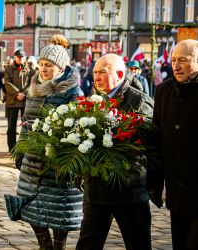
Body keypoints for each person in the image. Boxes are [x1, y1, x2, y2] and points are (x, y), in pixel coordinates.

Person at [5, 34, 84, 250]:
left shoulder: (72, 92)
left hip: (58, 162)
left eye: (48, 65)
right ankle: (44, 244)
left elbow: (79, 128)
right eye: (41, 64)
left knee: (59, 209)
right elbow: (26, 123)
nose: (43, 69)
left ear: (60, 67)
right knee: (30, 206)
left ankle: (59, 244)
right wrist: (20, 152)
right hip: (32, 160)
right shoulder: (34, 89)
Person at [76, 53, 154, 250]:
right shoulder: (94, 99)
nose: (97, 77)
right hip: (96, 189)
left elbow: (151, 144)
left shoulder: (139, 102)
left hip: (128, 190)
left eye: (102, 72)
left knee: (138, 243)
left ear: (119, 74)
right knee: (87, 244)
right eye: (94, 72)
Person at [152, 39, 198, 250]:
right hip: (175, 189)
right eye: (173, 60)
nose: (176, 65)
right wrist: (155, 181)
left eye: (183, 60)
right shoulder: (163, 91)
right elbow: (156, 138)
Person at [4, 49, 33, 152]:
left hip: (25, 101)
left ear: (25, 58)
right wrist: (17, 93)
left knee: (26, 126)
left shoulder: (30, 69)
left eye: (22, 57)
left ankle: (23, 148)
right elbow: (7, 83)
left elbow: (32, 83)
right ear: (15, 57)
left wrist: (24, 93)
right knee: (11, 127)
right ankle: (11, 148)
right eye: (18, 57)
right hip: (12, 101)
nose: (20, 59)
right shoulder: (8, 68)